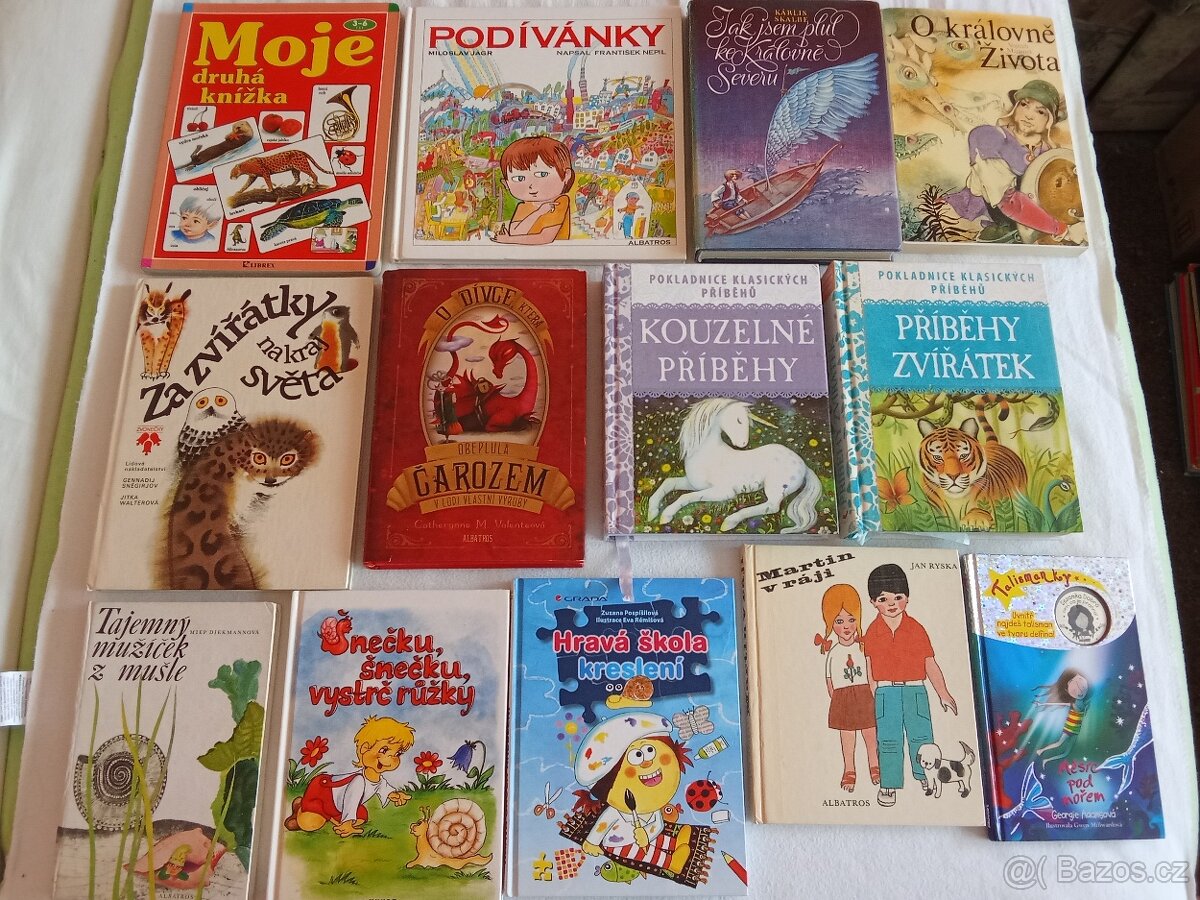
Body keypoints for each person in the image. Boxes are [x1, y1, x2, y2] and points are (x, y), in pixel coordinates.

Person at [943, 79, 1084, 244]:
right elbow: (1008, 202)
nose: (1029, 115)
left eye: (1040, 112)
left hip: (1029, 230)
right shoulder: (990, 139)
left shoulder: (1048, 154)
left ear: (1049, 121)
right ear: (1015, 107)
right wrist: (1059, 228)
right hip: (969, 220)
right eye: (1024, 105)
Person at [862, 564, 958, 807]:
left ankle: (925, 776)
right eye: (883, 599)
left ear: (907, 598)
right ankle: (889, 783)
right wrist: (873, 695)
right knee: (888, 740)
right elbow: (869, 666)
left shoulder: (916, 629)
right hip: (886, 692)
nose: (891, 604)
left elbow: (930, 663)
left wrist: (943, 693)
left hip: (916, 691)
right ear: (873, 602)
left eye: (898, 597)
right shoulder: (872, 632)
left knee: (922, 737)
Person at [284, 715, 414, 836]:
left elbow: (382, 787)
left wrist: (394, 795)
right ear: (364, 749)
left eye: (397, 753)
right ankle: (300, 807)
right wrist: (347, 823)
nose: (392, 758)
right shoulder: (358, 781)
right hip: (324, 795)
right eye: (384, 750)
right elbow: (351, 800)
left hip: (338, 807)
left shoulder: (377, 779)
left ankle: (319, 813)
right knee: (311, 824)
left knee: (361, 818)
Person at [815, 584, 880, 792]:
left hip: (865, 694)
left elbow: (871, 673)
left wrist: (874, 693)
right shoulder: (832, 652)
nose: (846, 626)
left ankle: (874, 764)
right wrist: (836, 699)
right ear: (830, 623)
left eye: (851, 620)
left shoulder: (864, 647)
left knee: (870, 733)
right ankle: (849, 769)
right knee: (847, 737)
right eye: (839, 621)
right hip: (843, 698)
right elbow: (829, 680)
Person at [492, 135, 574, 245]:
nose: (531, 185)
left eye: (542, 174)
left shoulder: (559, 201)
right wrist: (538, 212)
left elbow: (545, 238)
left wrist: (508, 240)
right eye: (519, 178)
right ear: (506, 183)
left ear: (566, 175)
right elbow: (516, 232)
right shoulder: (523, 206)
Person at [1033, 669, 1091, 766]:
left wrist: (1086, 708)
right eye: (1074, 689)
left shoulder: (1085, 704)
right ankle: (1041, 750)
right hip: (1069, 728)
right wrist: (1041, 704)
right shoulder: (1072, 704)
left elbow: (1083, 714)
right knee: (1059, 743)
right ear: (1067, 690)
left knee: (1066, 753)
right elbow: (1057, 703)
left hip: (1076, 730)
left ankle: (1046, 760)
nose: (1080, 690)